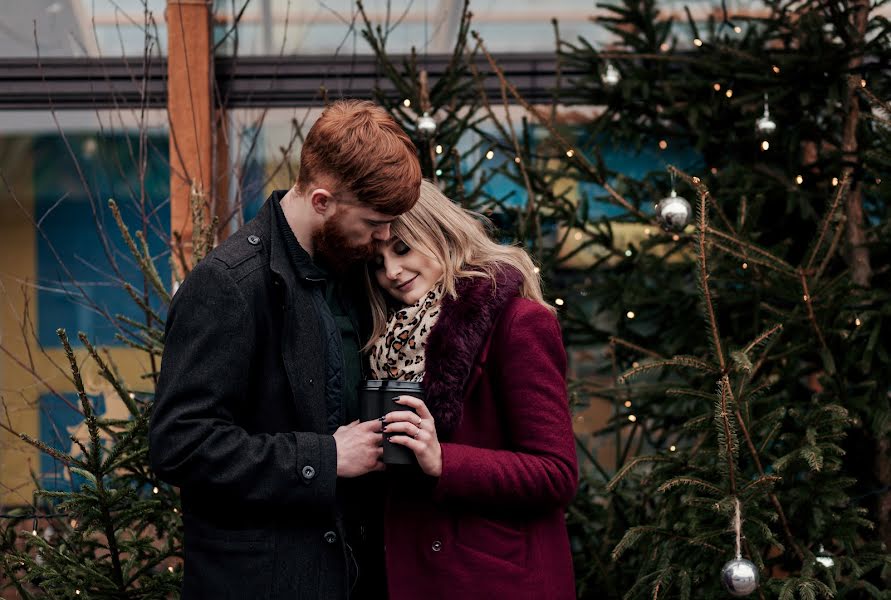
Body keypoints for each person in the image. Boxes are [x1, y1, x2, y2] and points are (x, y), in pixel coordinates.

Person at [149, 99, 421, 600]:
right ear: (321, 201)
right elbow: (179, 445)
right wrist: (326, 456)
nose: (387, 236)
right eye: (374, 221)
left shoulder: (356, 269)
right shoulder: (228, 285)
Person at [364, 180, 578, 599]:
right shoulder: (387, 339)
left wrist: (443, 459)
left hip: (492, 578)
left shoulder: (518, 322)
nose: (390, 271)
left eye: (402, 248)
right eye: (377, 261)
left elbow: (557, 474)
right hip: (414, 570)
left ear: (439, 233)